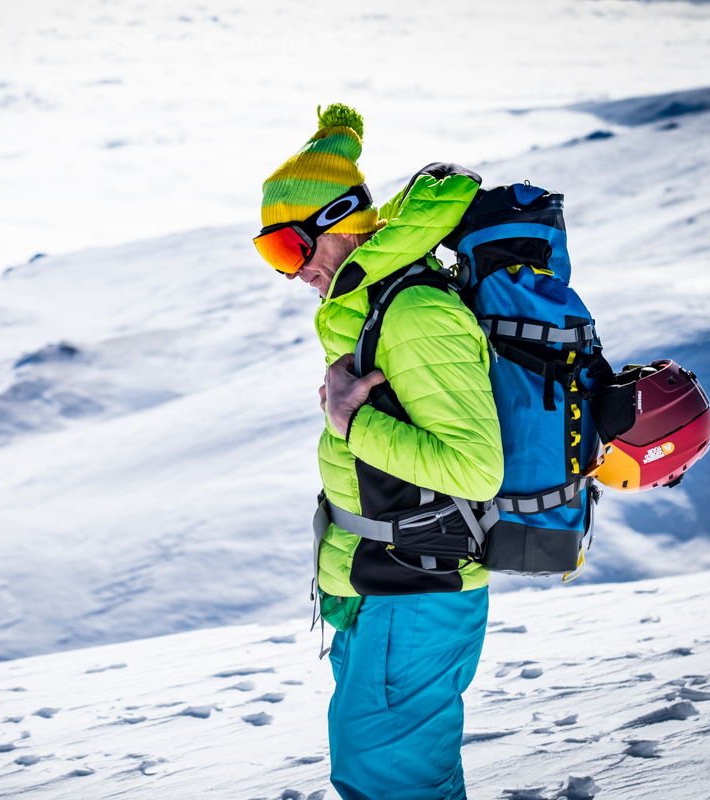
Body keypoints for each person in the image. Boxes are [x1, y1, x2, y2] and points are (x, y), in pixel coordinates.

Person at [253, 104, 504, 800]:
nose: (290, 272)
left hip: (415, 593)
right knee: (397, 779)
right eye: (272, 255)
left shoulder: (415, 313)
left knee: (391, 786)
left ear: (337, 221)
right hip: (385, 589)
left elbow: (475, 467)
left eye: (290, 248)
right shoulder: (372, 308)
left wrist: (350, 424)